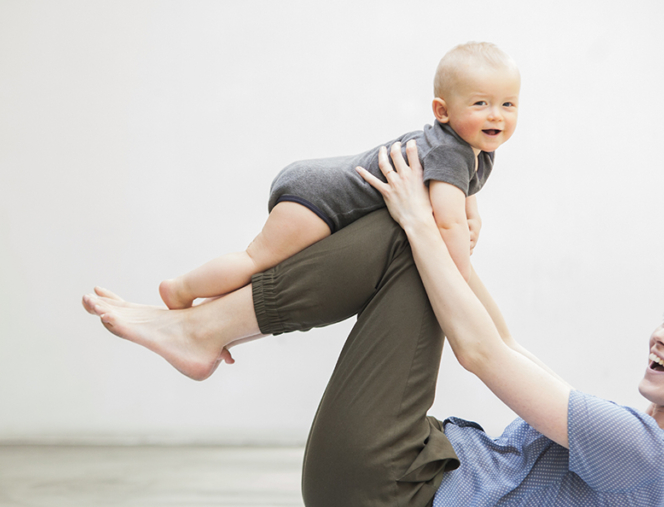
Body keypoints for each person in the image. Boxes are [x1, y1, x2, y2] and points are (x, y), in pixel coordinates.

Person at [82, 141, 664, 507]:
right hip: (388, 483)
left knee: (405, 236)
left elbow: (482, 355)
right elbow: (505, 342)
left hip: (385, 492)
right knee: (414, 237)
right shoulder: (648, 452)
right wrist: (451, 246)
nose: (662, 333)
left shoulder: (642, 456)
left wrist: (425, 226)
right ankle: (203, 329)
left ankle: (202, 329)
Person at [157, 41, 520, 310]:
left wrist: (474, 218)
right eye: (481, 104)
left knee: (268, 269)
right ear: (442, 111)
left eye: (508, 104)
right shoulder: (450, 152)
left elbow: (462, 193)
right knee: (256, 260)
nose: (496, 115)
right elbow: (448, 223)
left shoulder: (473, 149)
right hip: (318, 198)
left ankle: (204, 312)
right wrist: (458, 281)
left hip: (319, 186)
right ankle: (181, 289)